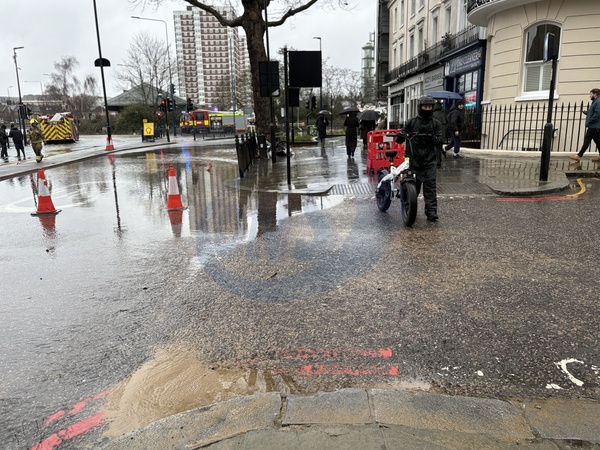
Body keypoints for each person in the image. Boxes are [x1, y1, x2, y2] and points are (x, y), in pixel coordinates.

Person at [395, 95, 442, 222]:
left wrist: (432, 137)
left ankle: (431, 211)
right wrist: (401, 135)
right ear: (420, 107)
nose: (427, 109)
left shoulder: (436, 123)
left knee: (430, 187)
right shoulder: (411, 122)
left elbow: (439, 141)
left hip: (430, 160)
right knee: (413, 187)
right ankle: (409, 208)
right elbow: (400, 137)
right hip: (413, 159)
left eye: (429, 107)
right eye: (425, 106)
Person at [569, 88, 600, 162]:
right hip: (596, 126)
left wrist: (590, 120)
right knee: (598, 141)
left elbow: (598, 113)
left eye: (591, 94)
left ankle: (579, 155)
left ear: (595, 94)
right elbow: (594, 112)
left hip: (594, 126)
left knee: (587, 140)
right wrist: (587, 113)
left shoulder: (598, 101)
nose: (590, 96)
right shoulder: (596, 101)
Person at [432, 101, 447, 166]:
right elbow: (447, 122)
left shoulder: (433, 114)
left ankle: (438, 161)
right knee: (439, 147)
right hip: (442, 134)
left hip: (435, 134)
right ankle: (439, 159)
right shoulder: (443, 114)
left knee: (436, 148)